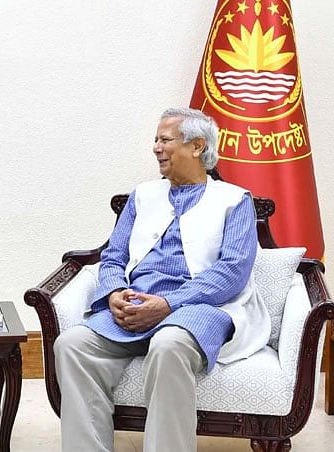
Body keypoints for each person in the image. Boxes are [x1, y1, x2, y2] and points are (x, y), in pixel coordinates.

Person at [54, 107, 270, 452]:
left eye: (165, 139)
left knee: (169, 344)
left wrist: (168, 304)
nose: (156, 147)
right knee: (72, 345)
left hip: (199, 309)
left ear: (197, 146)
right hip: (135, 305)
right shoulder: (142, 196)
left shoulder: (234, 201)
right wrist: (113, 292)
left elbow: (231, 272)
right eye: (155, 139)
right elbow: (113, 256)